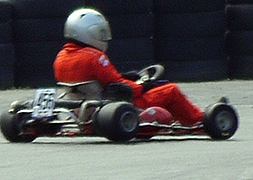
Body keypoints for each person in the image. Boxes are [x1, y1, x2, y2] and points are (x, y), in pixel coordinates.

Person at [54, 7, 205, 125]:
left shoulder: (61, 57)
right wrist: (143, 86)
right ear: (88, 32)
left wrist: (128, 77)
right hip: (111, 105)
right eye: (100, 32)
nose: (103, 37)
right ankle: (199, 121)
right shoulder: (95, 57)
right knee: (171, 90)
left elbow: (100, 79)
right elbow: (117, 85)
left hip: (81, 106)